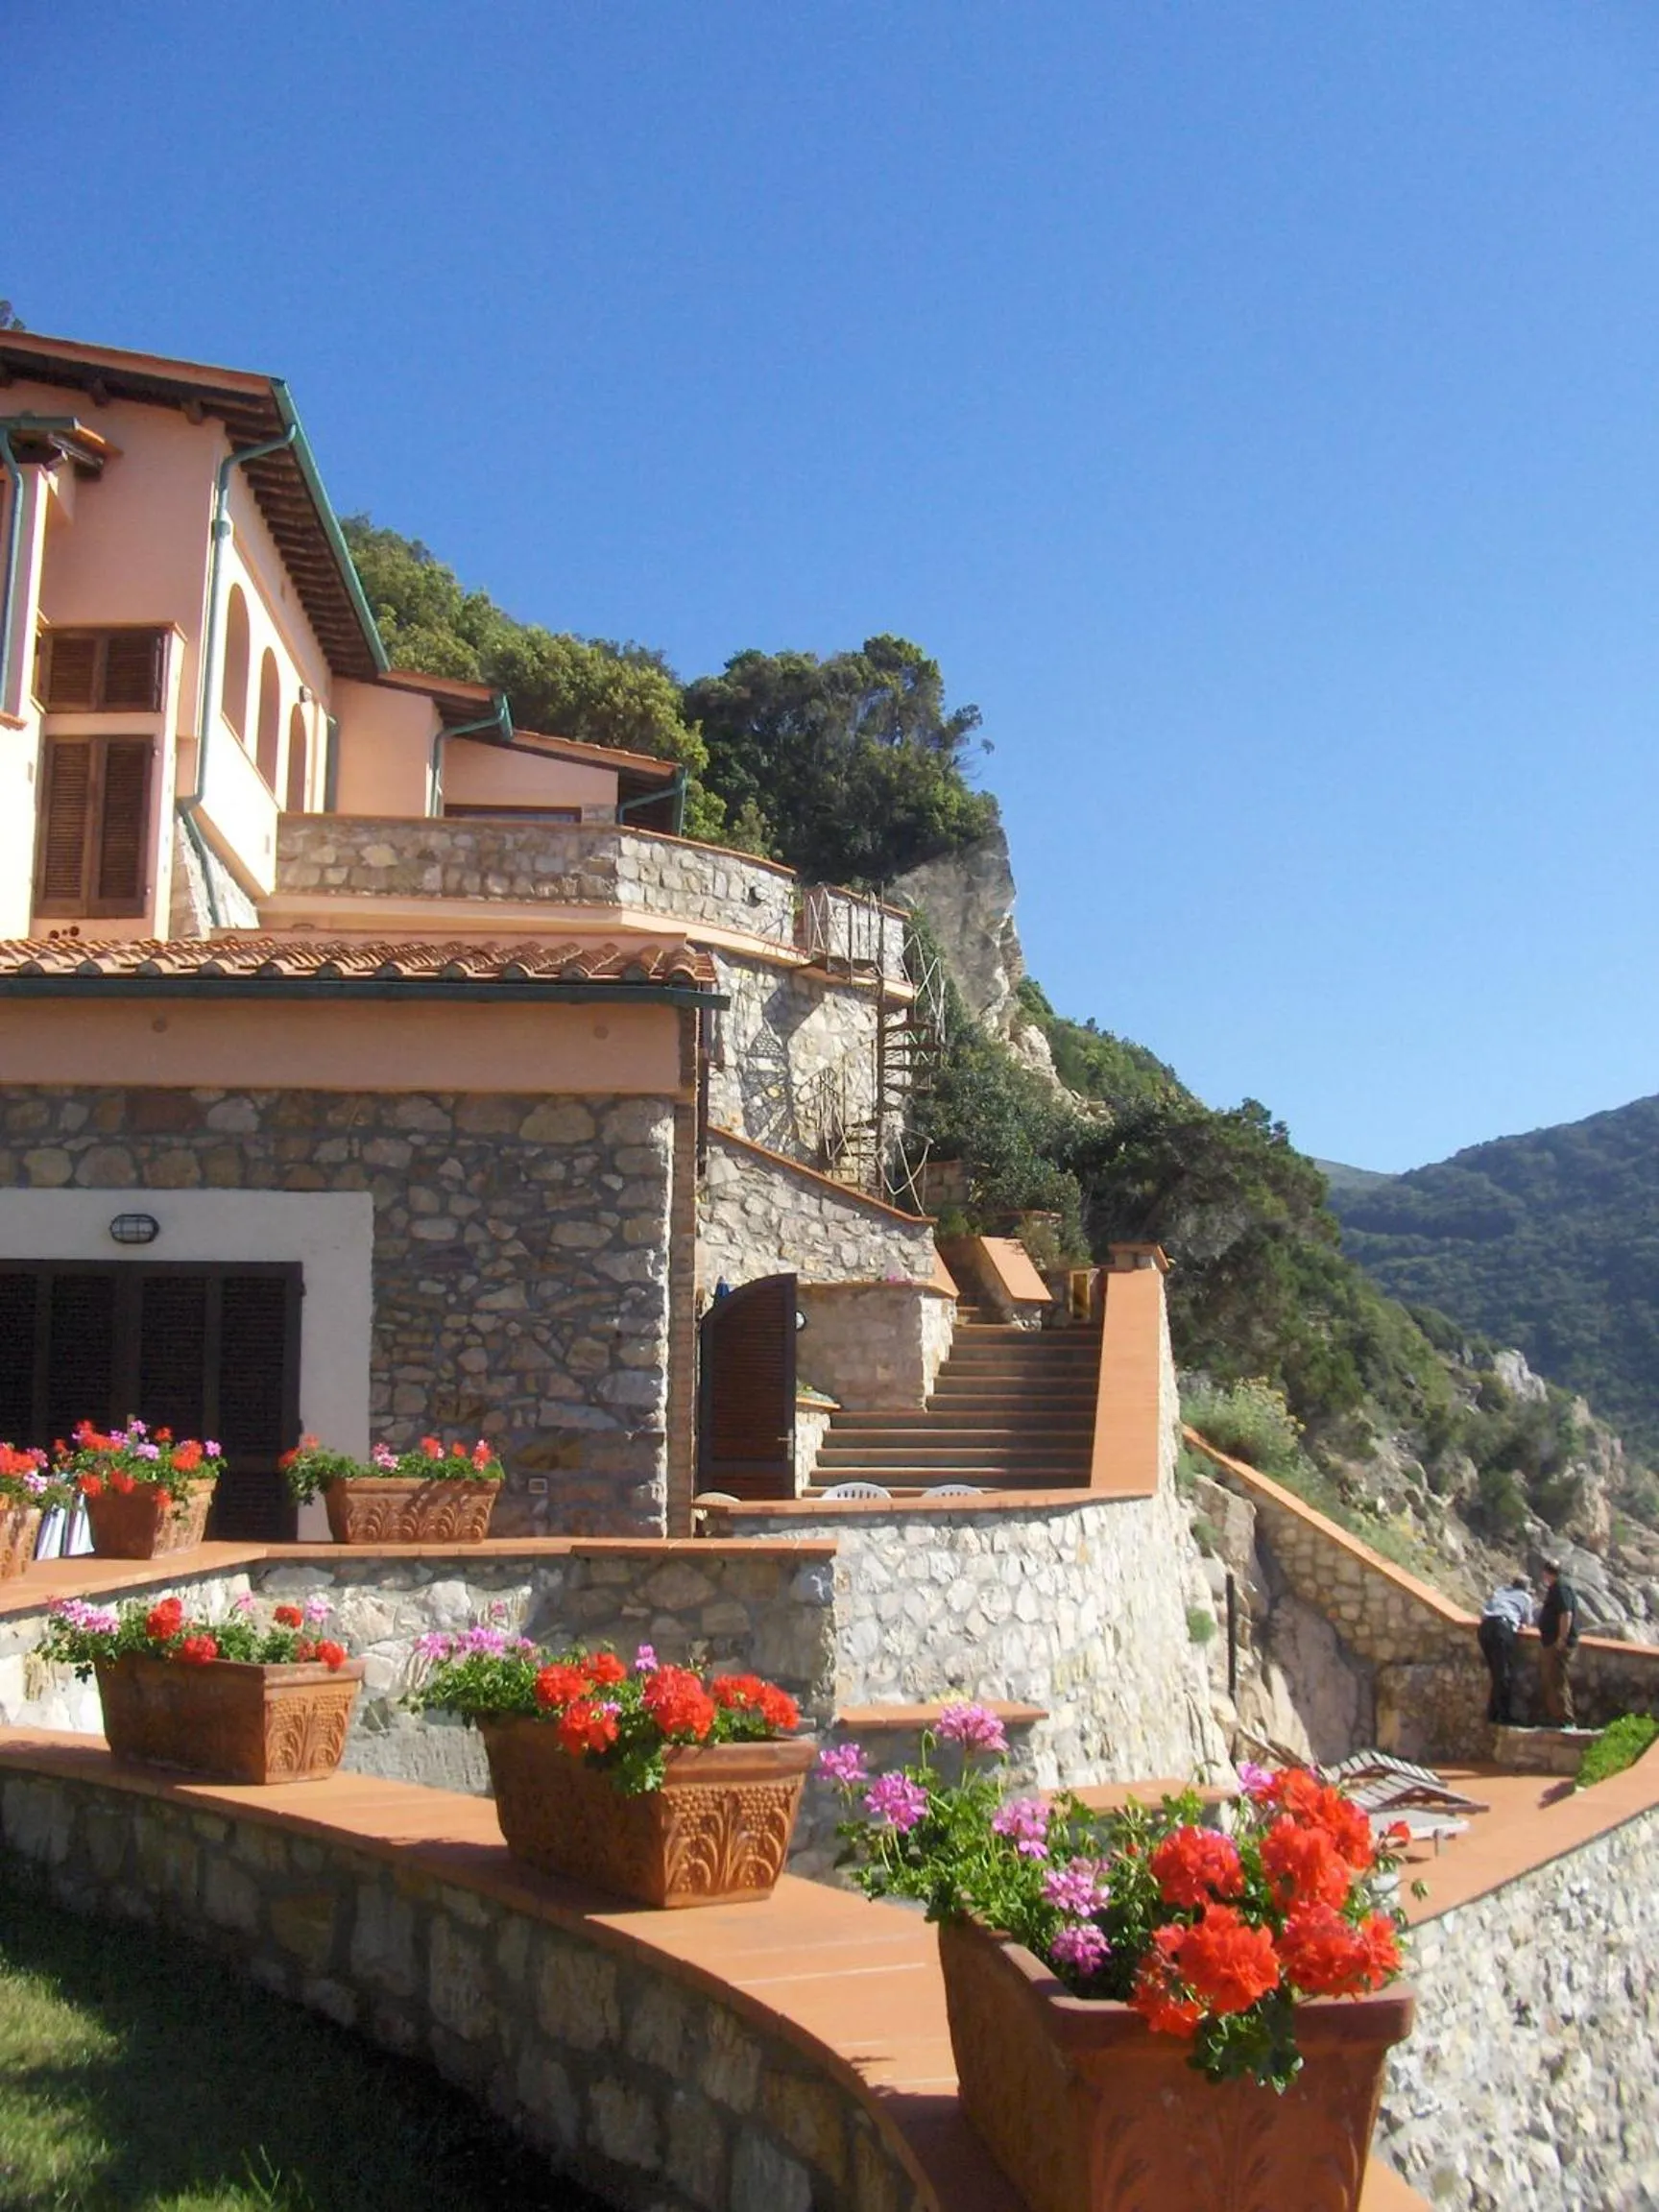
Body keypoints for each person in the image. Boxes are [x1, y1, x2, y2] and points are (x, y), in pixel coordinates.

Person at [1478, 1574, 1531, 1725]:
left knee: (1496, 1672)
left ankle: (1493, 1713)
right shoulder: (1525, 1598)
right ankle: (1504, 1716)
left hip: (1485, 1628)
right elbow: (1526, 1622)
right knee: (1503, 1673)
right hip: (1502, 1628)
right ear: (1526, 1588)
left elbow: (1484, 1611)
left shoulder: (1500, 1592)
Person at [1537, 1560, 1579, 1724]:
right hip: (1551, 1642)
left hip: (1558, 1644)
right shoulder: (1556, 1588)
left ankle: (1566, 1720)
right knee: (1552, 1679)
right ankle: (1557, 1718)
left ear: (1548, 1573)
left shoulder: (1561, 1588)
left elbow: (1566, 1614)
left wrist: (1561, 1638)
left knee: (1558, 1680)